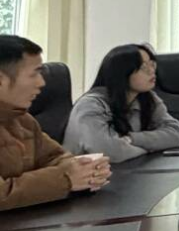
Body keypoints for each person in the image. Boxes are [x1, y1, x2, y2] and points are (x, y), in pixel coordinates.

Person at [0, 35, 111, 211]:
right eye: (34, 74)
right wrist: (66, 180)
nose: (42, 82)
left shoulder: (22, 120)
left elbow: (56, 157)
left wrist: (84, 169)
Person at [64, 44, 179, 163]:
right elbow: (110, 152)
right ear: (122, 73)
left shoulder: (147, 98)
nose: (152, 71)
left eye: (152, 64)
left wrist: (131, 139)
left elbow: (175, 134)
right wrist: (150, 148)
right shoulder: (90, 105)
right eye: (143, 67)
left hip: (128, 169)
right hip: (87, 173)